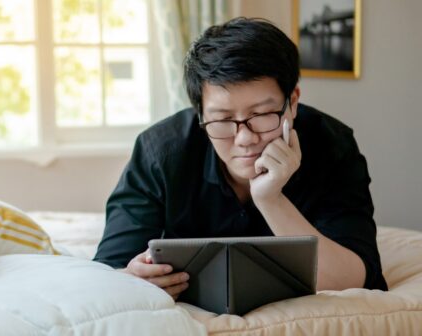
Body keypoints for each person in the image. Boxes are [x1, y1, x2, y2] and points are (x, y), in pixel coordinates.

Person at [93, 17, 388, 300]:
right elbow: (107, 271)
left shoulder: (332, 145)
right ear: (201, 114)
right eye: (222, 119)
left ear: (293, 102)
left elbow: (357, 280)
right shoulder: (161, 152)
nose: (245, 138)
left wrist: (271, 200)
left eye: (261, 115)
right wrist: (134, 278)